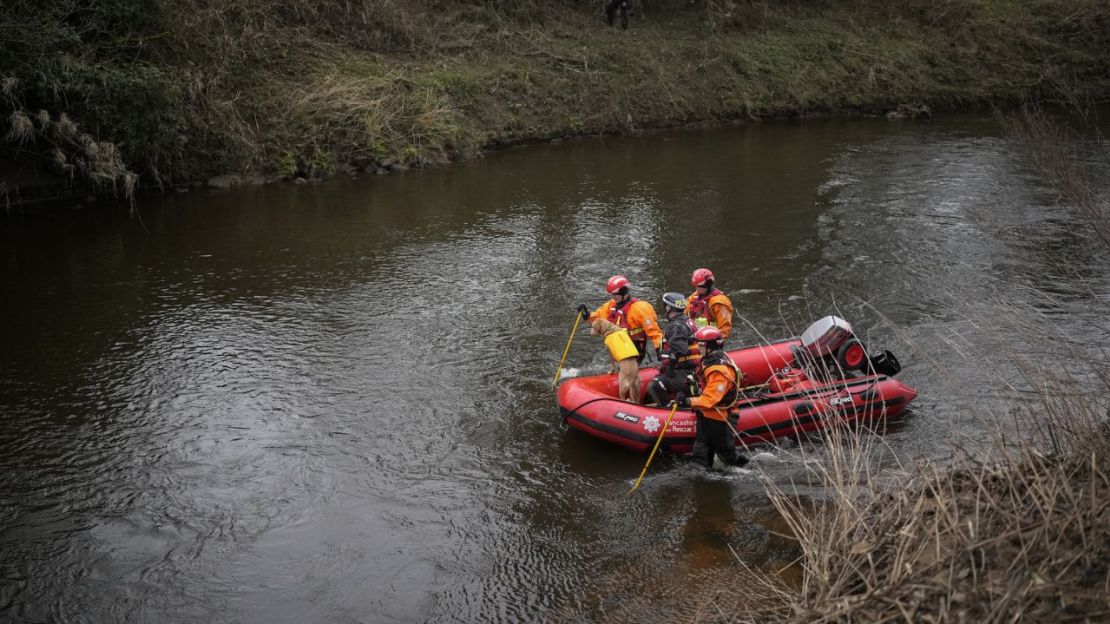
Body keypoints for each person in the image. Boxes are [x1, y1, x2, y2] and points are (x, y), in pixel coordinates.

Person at [673, 325, 749, 469]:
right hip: (707, 414)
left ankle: (747, 470)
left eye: (701, 345)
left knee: (726, 455)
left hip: (721, 416)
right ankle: (701, 473)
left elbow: (711, 399)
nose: (697, 348)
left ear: (711, 346)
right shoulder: (709, 359)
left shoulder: (719, 371)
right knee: (700, 450)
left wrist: (688, 401)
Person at [576, 275, 663, 364]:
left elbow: (655, 332)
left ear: (624, 291)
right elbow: (598, 319)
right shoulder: (611, 305)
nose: (613, 297)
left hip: (635, 346)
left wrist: (659, 349)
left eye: (615, 294)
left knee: (627, 367)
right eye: (612, 294)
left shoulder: (641, 308)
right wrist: (586, 315)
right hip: (618, 345)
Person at [646, 292, 700, 406]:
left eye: (665, 306)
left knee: (655, 385)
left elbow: (680, 350)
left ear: (669, 307)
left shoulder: (675, 326)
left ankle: (667, 412)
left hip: (687, 372)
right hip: (695, 369)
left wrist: (670, 368)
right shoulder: (688, 321)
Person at [687, 267, 733, 340]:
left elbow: (725, 329)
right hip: (695, 336)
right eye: (696, 286)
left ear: (708, 285)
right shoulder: (695, 296)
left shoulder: (719, 302)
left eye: (698, 287)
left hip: (711, 341)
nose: (696, 289)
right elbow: (683, 314)